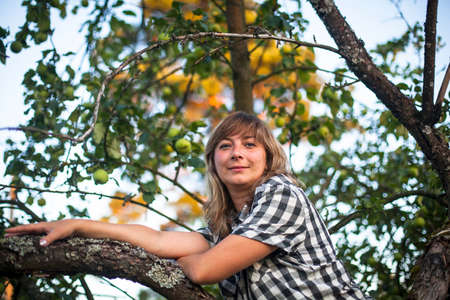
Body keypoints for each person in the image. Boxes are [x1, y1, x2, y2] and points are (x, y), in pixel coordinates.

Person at [6, 111, 367, 299]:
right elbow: (159, 241)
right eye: (225, 146)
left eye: (249, 145)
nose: (237, 153)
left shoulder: (281, 194)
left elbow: (202, 271)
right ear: (213, 161)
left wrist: (191, 261)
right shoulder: (229, 223)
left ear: (268, 157)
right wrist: (79, 224)